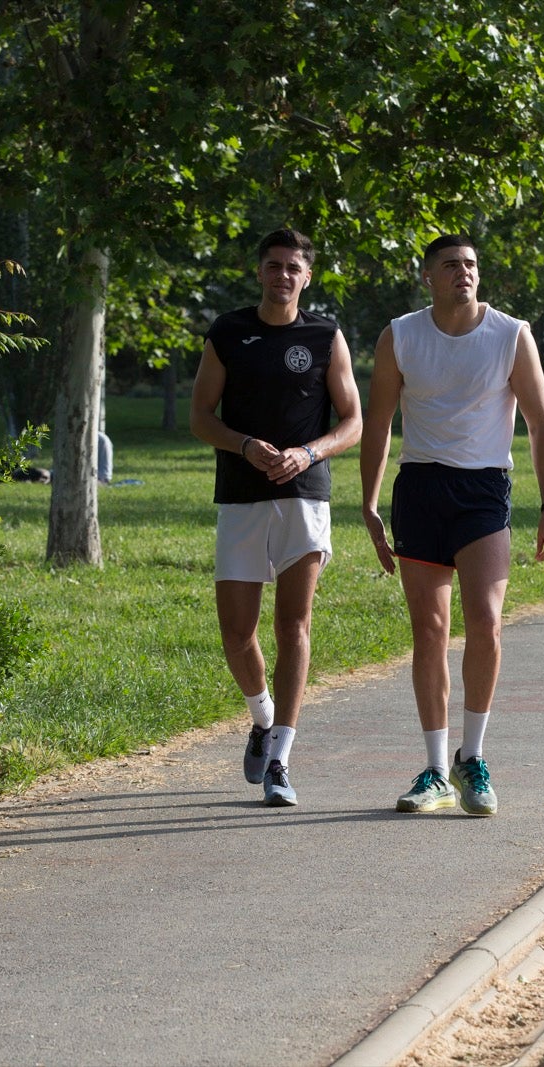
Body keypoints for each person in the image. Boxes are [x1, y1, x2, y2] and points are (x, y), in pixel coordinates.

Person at [360, 235, 544, 817]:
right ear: (427, 276)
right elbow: (377, 425)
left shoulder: (510, 334)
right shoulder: (400, 336)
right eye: (451, 265)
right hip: (420, 489)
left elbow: (540, 423)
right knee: (429, 632)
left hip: (482, 491)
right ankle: (433, 770)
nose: (464, 274)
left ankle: (471, 757)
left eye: (472, 265)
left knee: (487, 623)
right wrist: (370, 505)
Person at [190, 228, 362, 806]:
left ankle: (282, 759)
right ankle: (261, 716)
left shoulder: (324, 335)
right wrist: (243, 446)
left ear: (307, 276)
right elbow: (200, 417)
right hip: (240, 494)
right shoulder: (229, 332)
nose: (283, 275)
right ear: (259, 272)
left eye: (294, 267)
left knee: (294, 625)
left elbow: (353, 421)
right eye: (274, 265)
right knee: (237, 633)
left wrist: (309, 452)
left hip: (304, 495)